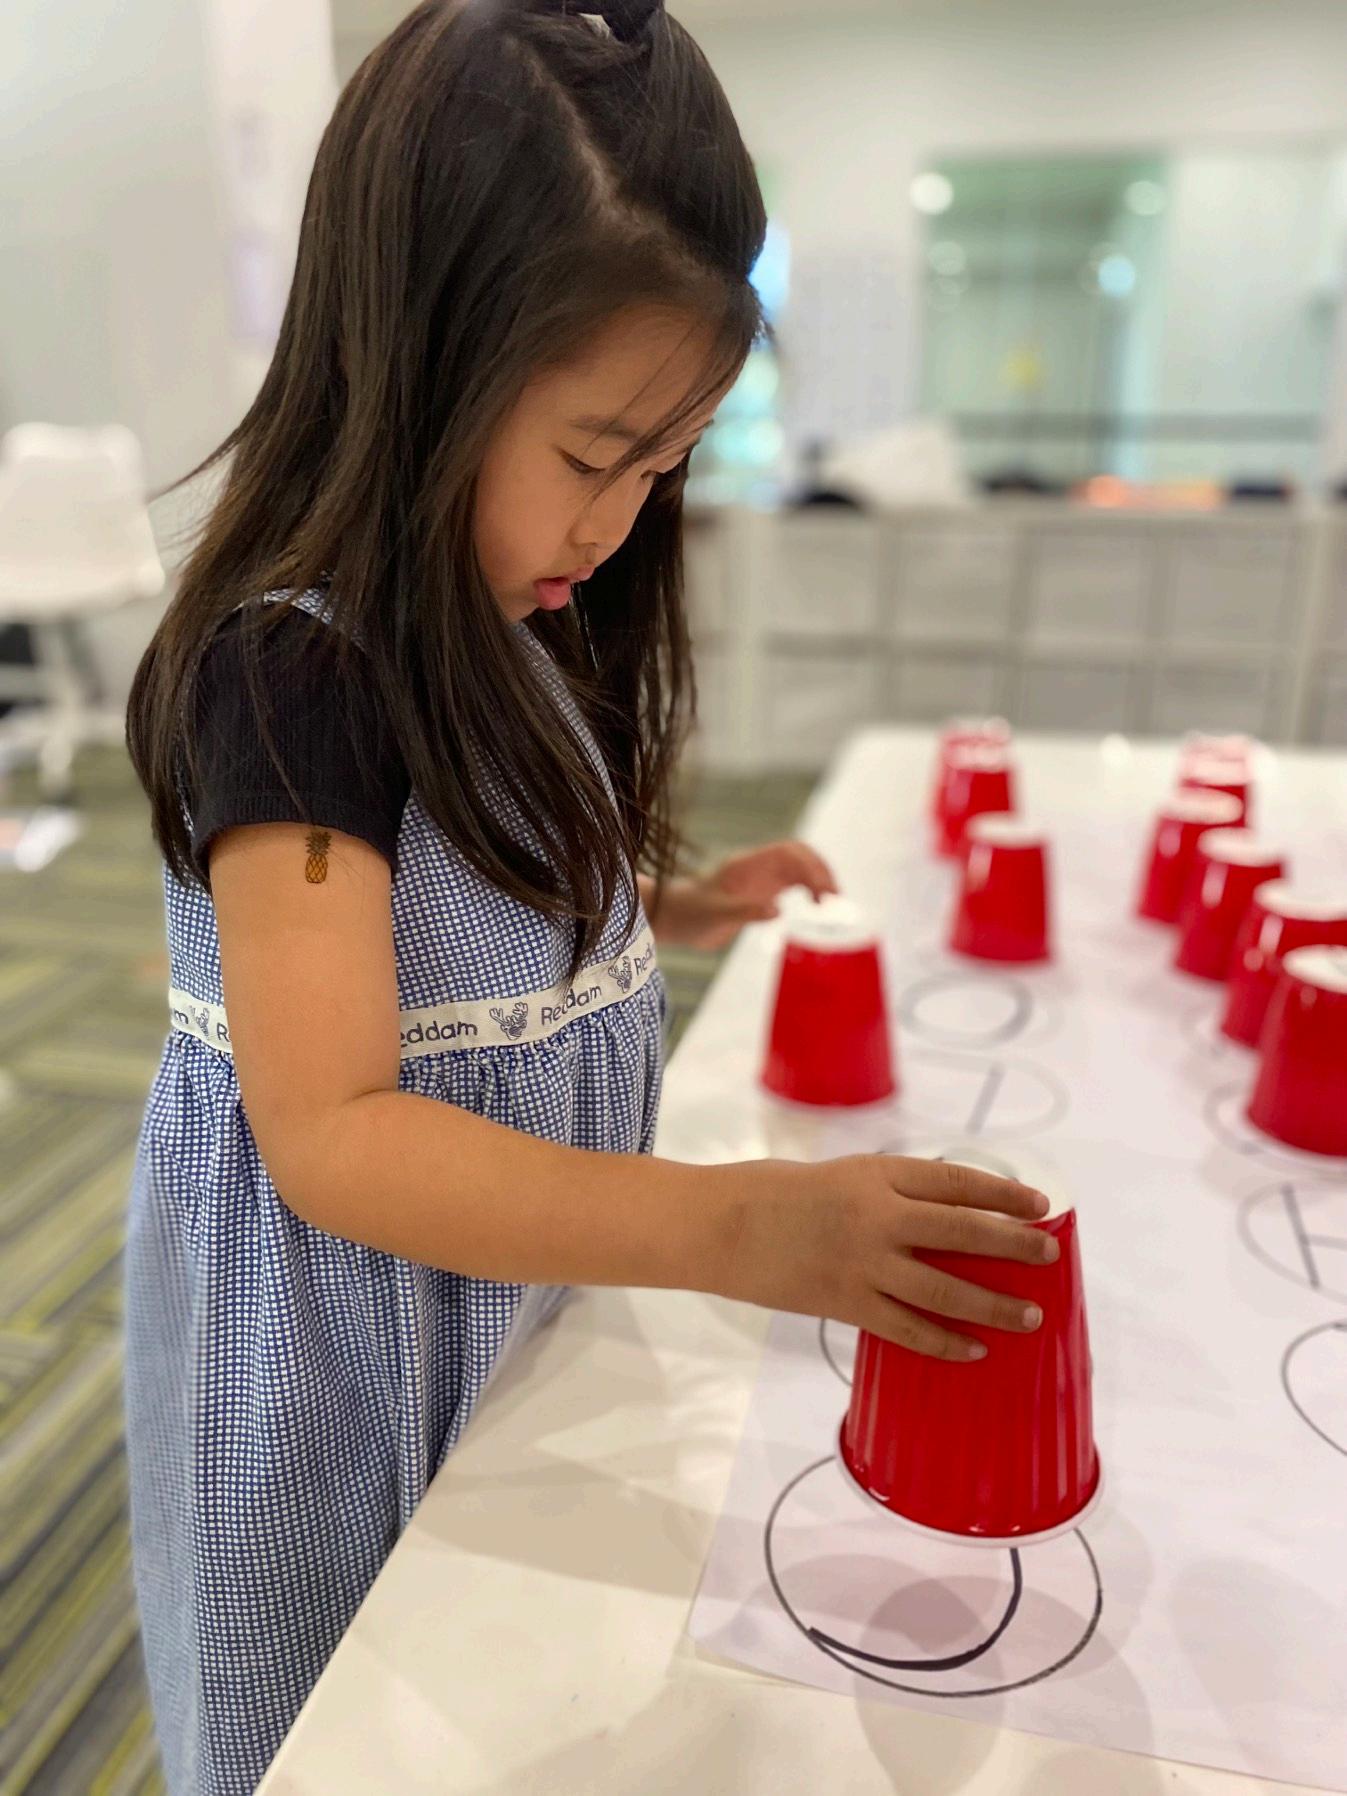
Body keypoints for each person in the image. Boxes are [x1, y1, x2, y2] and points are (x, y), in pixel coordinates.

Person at [123, 2, 1057, 1788]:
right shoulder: (288, 681)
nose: (618, 521)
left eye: (664, 462)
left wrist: (666, 905)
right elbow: (334, 1134)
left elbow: (466, 889)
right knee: (338, 1711)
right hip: (343, 1358)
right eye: (593, 453)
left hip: (505, 1287)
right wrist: (743, 1228)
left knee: (517, 1653)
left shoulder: (507, 603)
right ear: (414, 359)